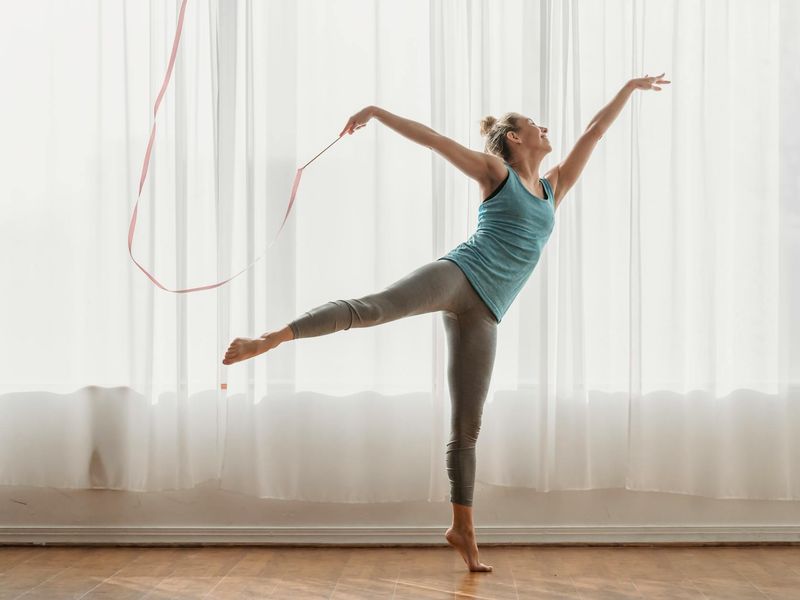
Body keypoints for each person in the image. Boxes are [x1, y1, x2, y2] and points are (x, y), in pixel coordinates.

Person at [222, 73, 669, 572]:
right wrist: (376, 112)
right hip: (458, 276)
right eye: (533, 124)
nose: (544, 128)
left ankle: (463, 529)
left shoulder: (553, 187)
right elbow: (434, 140)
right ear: (515, 138)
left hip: (488, 312)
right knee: (375, 308)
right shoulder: (495, 172)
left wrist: (630, 88)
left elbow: (595, 132)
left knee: (467, 426)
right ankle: (272, 338)